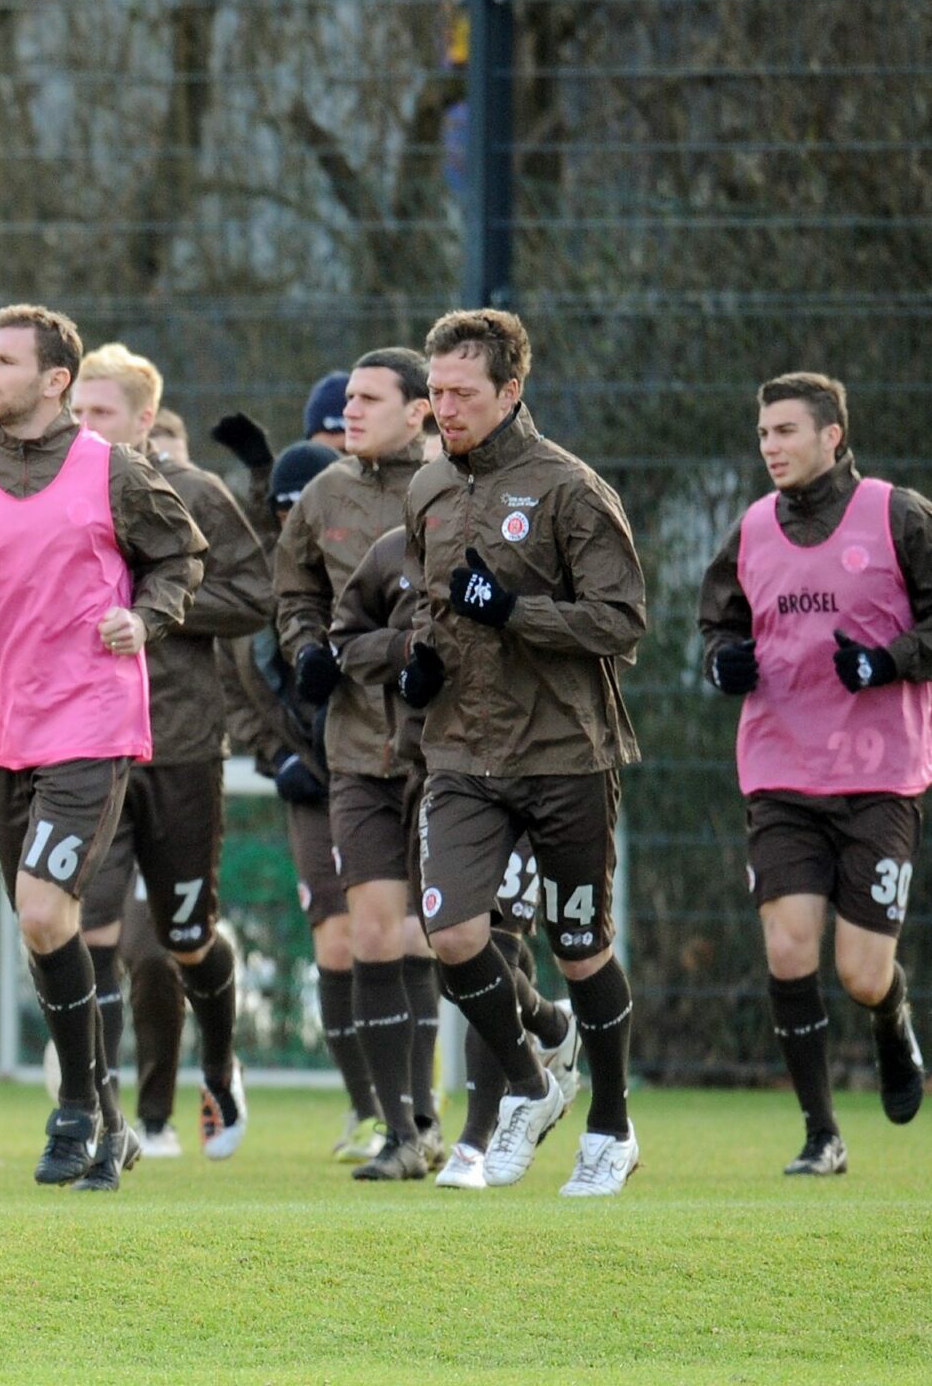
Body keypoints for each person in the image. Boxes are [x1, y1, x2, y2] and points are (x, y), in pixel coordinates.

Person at [0, 304, 206, 1190]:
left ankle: (77, 1107)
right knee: (39, 920)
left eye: (3, 361)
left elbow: (181, 561)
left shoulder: (115, 472)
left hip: (90, 721)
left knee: (46, 908)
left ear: (56, 381)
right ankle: (108, 1118)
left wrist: (145, 613)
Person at [697, 372, 932, 1176]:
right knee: (789, 950)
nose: (770, 447)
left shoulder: (897, 514)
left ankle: (892, 1017)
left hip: (879, 779)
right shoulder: (752, 527)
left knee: (860, 973)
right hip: (780, 770)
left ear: (832, 436)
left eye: (786, 431)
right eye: (763, 434)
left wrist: (889, 660)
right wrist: (725, 664)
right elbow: (718, 621)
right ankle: (821, 1134)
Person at [397, 308, 642, 1196]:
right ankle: (533, 1087)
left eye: (463, 392)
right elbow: (431, 607)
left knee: (580, 949)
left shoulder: (570, 490)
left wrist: (513, 612)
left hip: (564, 753)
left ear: (511, 391)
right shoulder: (426, 491)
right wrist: (422, 665)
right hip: (462, 752)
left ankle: (611, 1126)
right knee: (454, 932)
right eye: (436, 390)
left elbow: (621, 621)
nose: (445, 407)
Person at [68, 344, 271, 1161]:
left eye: (102, 414)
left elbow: (254, 596)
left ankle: (219, 1064)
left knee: (186, 938)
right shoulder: (48, 492)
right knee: (92, 931)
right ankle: (106, 1118)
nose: (84, 427)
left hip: (181, 744)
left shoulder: (194, 495)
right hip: (84, 744)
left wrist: (153, 608)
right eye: (77, 411)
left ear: (145, 420)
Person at [332, 527, 567, 1189]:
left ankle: (475, 1142)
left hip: (535, 769)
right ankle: (540, 1037)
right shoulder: (390, 549)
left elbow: (603, 627)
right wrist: (407, 654)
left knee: (499, 943)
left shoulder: (546, 526)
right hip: (442, 777)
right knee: (453, 949)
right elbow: (342, 637)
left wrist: (515, 616)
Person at [276, 348, 450, 1181]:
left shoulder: (457, 488)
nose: (351, 411)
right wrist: (306, 647)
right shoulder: (323, 494)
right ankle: (402, 1128)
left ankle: (486, 1100)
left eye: (371, 399)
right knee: (376, 931)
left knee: (446, 934)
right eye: (348, 398)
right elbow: (295, 595)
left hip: (449, 748)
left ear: (419, 410)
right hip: (354, 748)